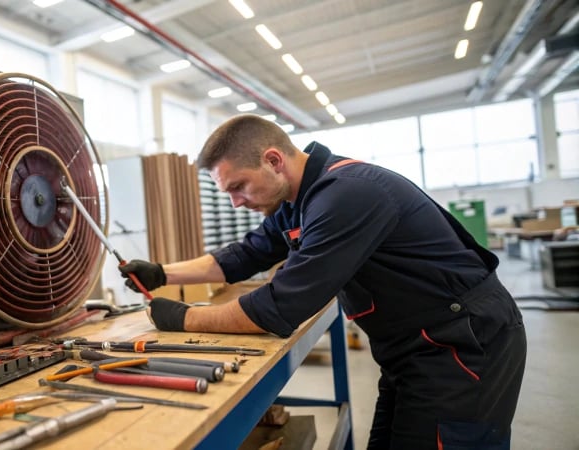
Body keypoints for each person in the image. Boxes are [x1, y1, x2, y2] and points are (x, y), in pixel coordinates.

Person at [119, 114, 526, 450]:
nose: (235, 202)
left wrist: (184, 318)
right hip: (412, 350)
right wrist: (162, 273)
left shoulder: (346, 195)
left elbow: (280, 307)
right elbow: (245, 255)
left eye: (238, 187)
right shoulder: (300, 199)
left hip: (461, 345)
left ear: (274, 160)